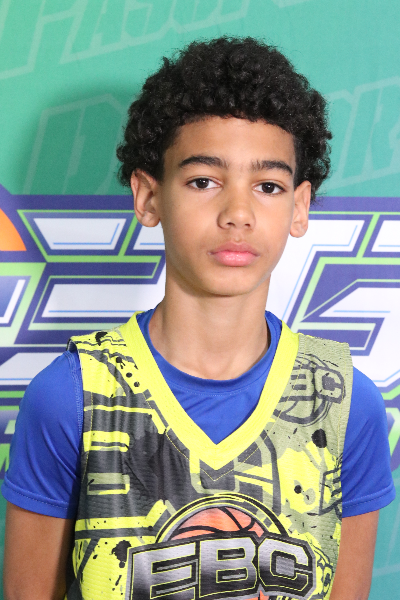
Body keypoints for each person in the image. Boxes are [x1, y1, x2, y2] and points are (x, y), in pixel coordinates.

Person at [2, 37, 394, 600]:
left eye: (268, 185)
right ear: (148, 196)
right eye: (204, 181)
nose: (238, 213)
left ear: (300, 205)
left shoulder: (345, 404)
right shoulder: (71, 397)